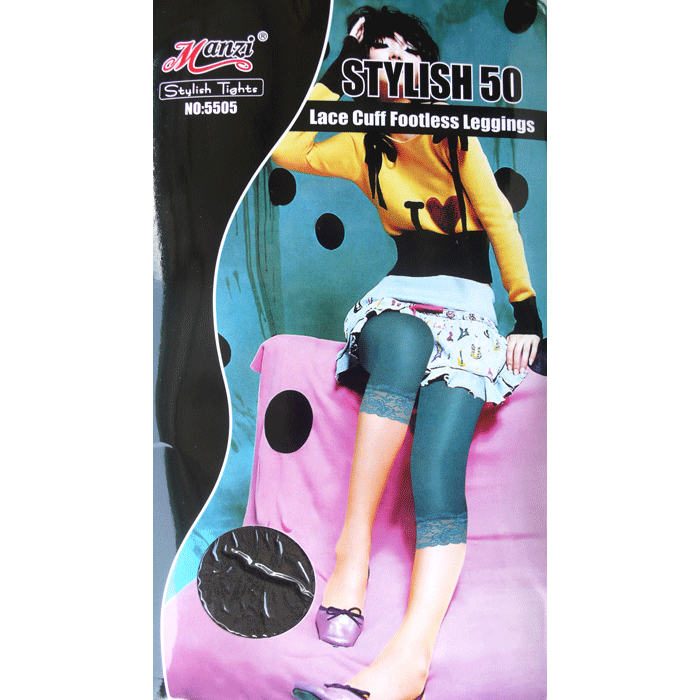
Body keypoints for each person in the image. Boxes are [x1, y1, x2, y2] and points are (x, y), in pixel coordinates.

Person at [272, 6, 542, 700]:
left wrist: (526, 313)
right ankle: (352, 553)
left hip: (471, 317)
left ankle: (409, 661)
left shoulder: (452, 134)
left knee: (437, 467)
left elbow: (498, 217)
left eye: (407, 55)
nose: (394, 65)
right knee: (407, 344)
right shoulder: (360, 145)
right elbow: (285, 148)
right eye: (379, 58)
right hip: (399, 305)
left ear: (429, 71)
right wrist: (341, 63)